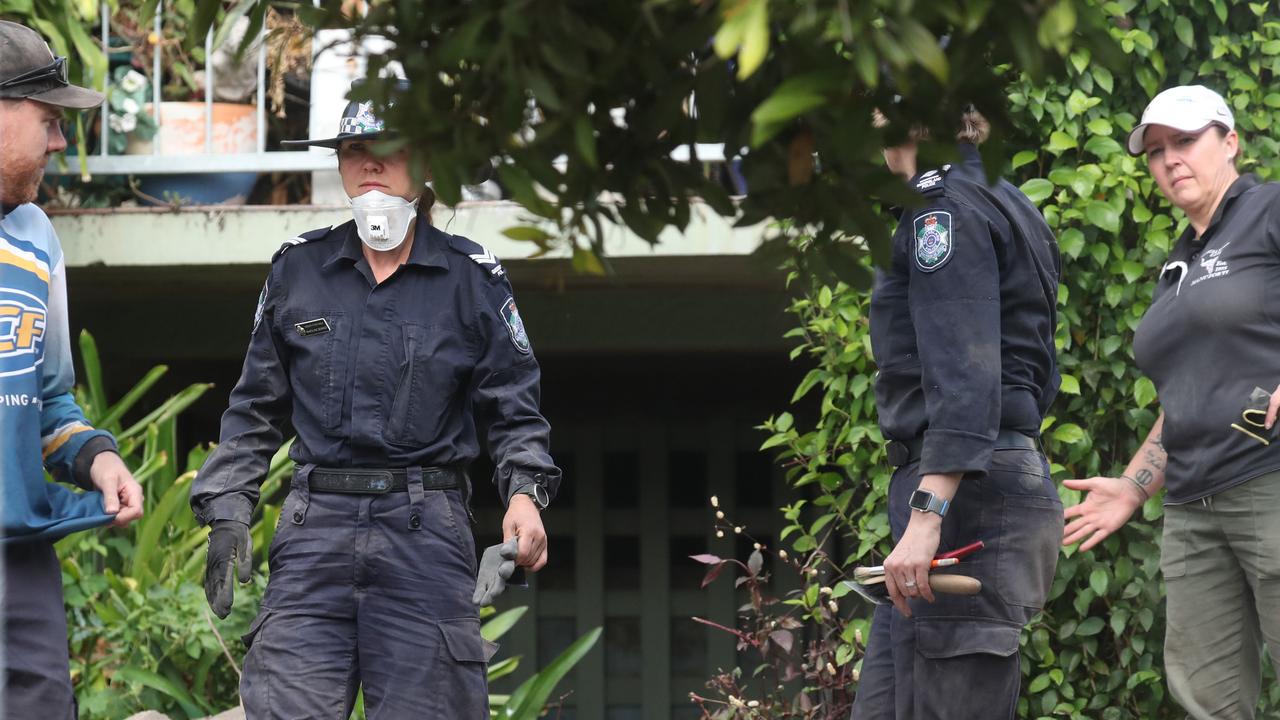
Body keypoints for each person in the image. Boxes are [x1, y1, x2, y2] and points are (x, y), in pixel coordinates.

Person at [190, 84, 561, 719]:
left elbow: (514, 408)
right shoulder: (297, 270)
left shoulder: (473, 278)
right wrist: (228, 510)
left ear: (425, 163)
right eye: (352, 150)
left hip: (425, 529)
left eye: (387, 149)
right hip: (314, 531)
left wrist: (524, 495)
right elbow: (255, 407)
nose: (368, 165)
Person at [1063, 84, 1280, 720]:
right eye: (1156, 150)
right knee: (1207, 704)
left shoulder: (1267, 211)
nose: (1169, 159)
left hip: (1269, 484)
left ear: (1230, 141)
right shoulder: (1177, 265)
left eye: (1185, 140)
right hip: (1191, 508)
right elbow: (1186, 394)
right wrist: (1134, 485)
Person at [851, 110, 1063, 719]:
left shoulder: (943, 209)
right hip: (985, 482)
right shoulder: (1007, 199)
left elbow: (966, 371)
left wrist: (927, 513)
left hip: (964, 497)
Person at [0, 20, 144, 720]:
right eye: (48, 121)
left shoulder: (35, 237)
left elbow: (49, 401)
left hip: (22, 569)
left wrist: (97, 459)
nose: (59, 143)